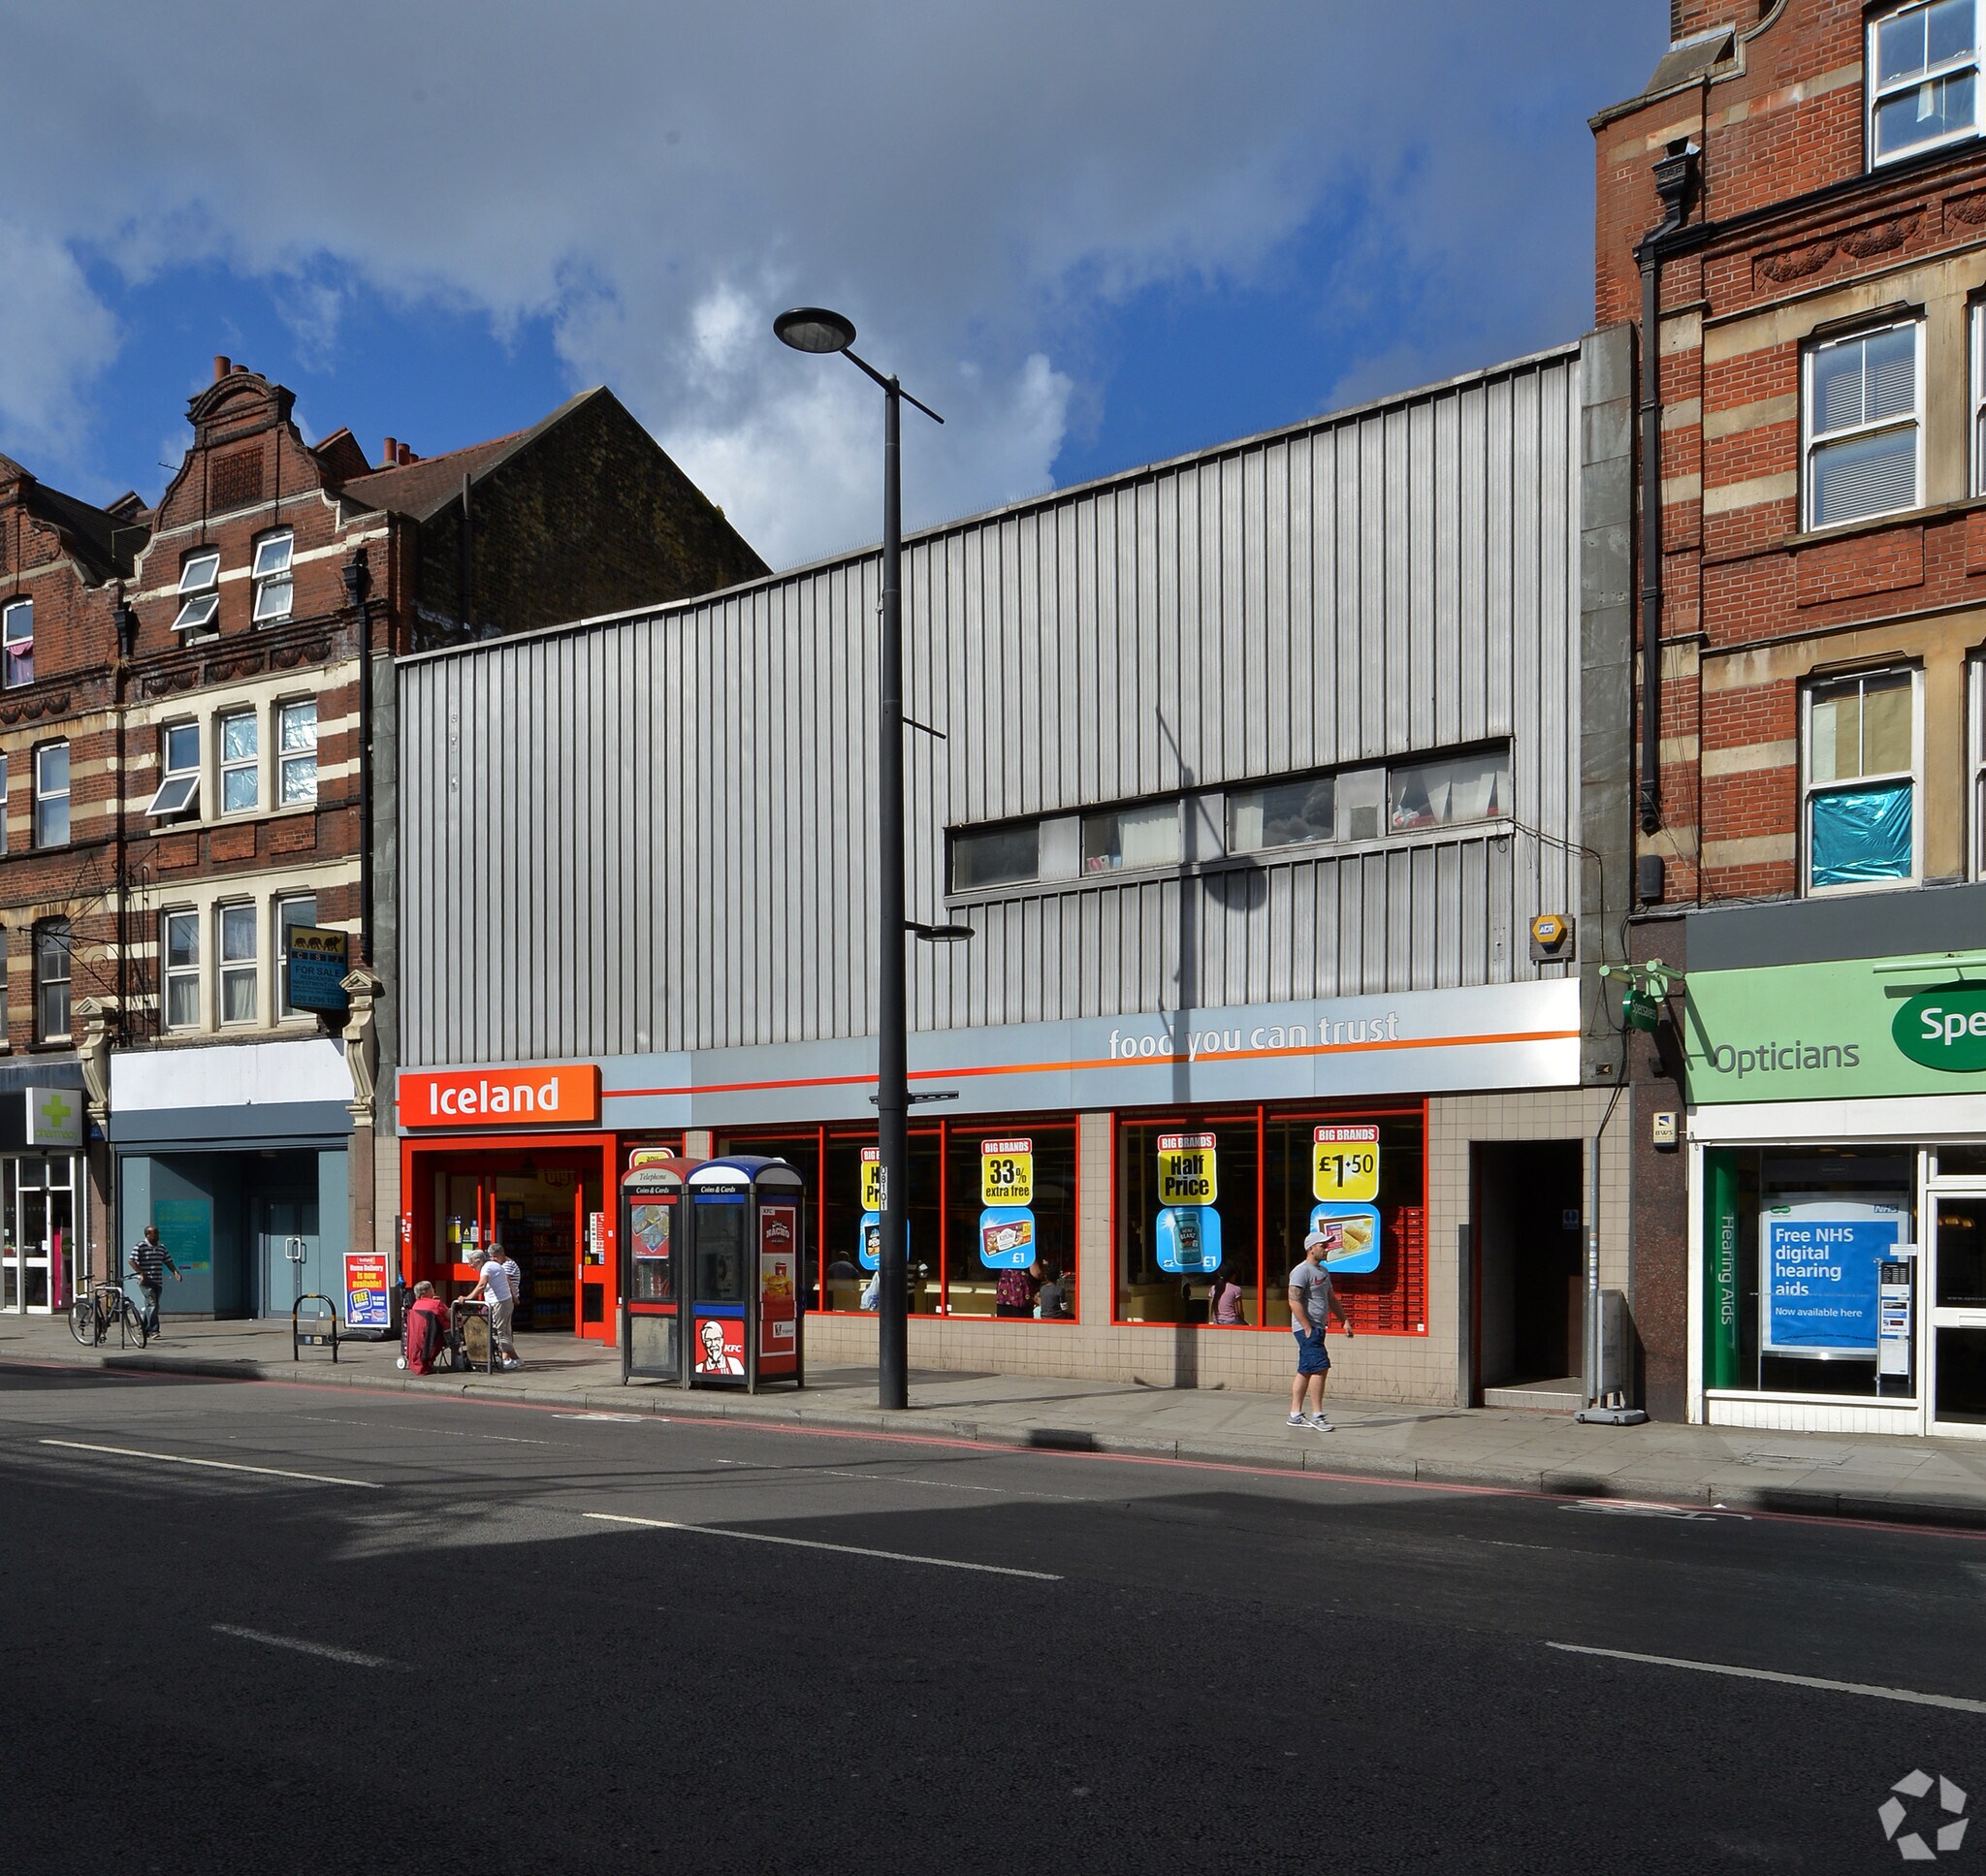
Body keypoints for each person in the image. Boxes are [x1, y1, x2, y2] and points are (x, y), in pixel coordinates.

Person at [1287, 1229, 1353, 1431]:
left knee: (1306, 1370)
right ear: (1311, 1248)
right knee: (1320, 1368)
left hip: (1317, 1327)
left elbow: (1331, 1298)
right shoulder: (1301, 1271)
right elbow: (1293, 1299)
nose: (1327, 1249)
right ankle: (1317, 1415)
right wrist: (1306, 1327)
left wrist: (1344, 1320)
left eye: (1327, 1245)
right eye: (1323, 1246)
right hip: (1308, 1329)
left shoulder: (1323, 1272)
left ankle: (1295, 1414)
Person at [465, 1249, 520, 1372]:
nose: (470, 1266)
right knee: (504, 1331)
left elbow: (481, 1285)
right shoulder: (493, 1265)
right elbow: (507, 1280)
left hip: (499, 1303)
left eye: (471, 1263)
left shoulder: (487, 1268)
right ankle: (514, 1359)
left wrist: (468, 1298)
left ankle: (509, 1360)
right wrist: (514, 1295)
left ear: (478, 1261)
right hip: (503, 1301)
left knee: (500, 1333)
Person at [128, 1224, 181, 1339]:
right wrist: (141, 1273)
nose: (157, 1235)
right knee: (152, 1304)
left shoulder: (161, 1247)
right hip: (145, 1281)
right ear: (148, 1235)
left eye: (157, 1233)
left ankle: (143, 1330)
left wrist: (175, 1272)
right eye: (155, 1233)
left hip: (157, 1280)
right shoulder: (140, 1246)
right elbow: (131, 1261)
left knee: (152, 1306)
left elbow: (168, 1261)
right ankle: (154, 1330)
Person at [402, 1281, 453, 1376]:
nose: (434, 1290)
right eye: (431, 1288)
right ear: (425, 1292)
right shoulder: (436, 1304)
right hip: (437, 1338)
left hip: (422, 1340)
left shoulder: (416, 1305)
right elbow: (451, 1318)